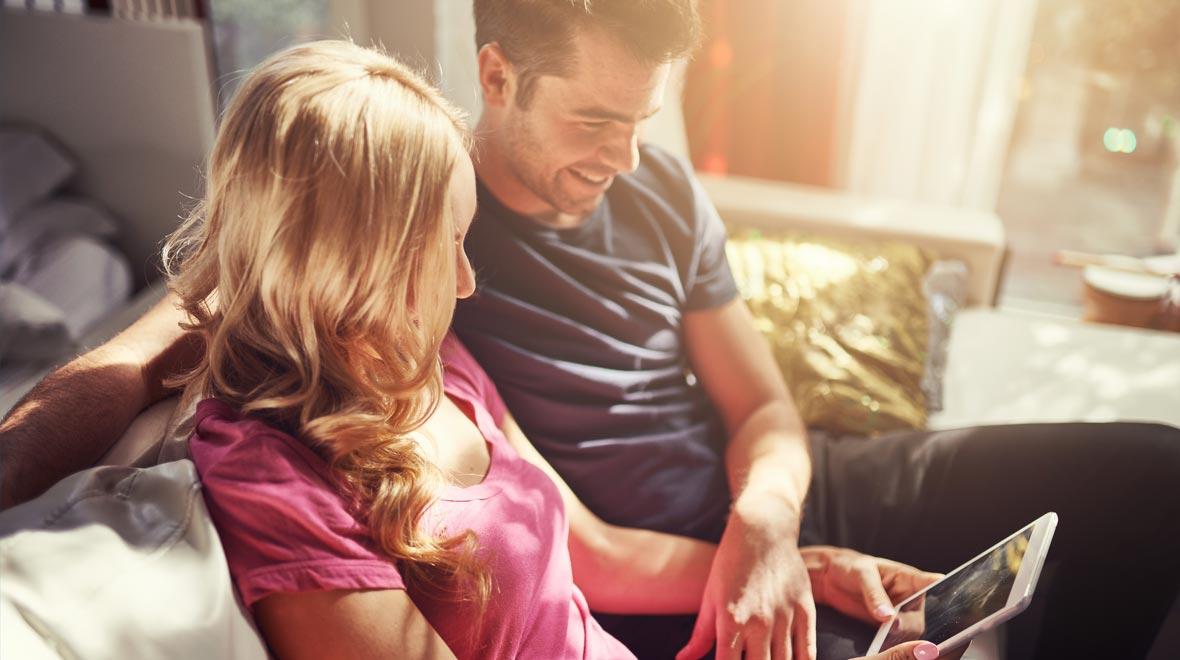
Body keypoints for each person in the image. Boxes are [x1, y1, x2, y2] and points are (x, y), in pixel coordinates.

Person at [2, 1, 1179, 658]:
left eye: (643, 121)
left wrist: (776, 537)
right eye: (597, 119)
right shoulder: (398, 197)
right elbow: (179, 326)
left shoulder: (480, 324)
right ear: (499, 77)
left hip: (767, 506)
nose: (623, 161)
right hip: (662, 569)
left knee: (1152, 479)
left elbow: (742, 427)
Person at [105, 39, 939, 660]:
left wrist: (811, 565)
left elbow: (598, 557)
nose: (468, 283)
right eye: (451, 246)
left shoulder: (428, 369)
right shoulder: (274, 478)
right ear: (361, 262)